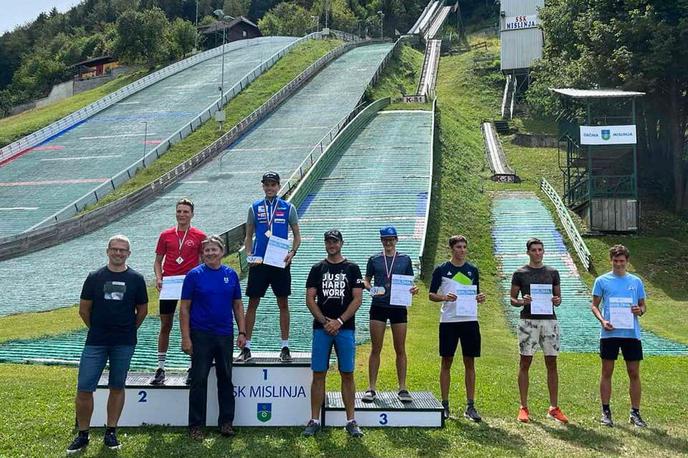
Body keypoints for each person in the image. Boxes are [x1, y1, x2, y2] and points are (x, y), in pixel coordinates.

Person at [66, 235, 148, 454]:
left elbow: (143, 310)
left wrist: (128, 328)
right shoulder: (94, 277)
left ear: (128, 253)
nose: (119, 253)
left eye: (123, 250)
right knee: (84, 387)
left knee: (117, 386)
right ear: (108, 251)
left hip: (124, 342)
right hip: (96, 342)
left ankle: (111, 431)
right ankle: (83, 434)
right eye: (115, 249)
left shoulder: (137, 279)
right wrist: (98, 328)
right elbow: (84, 310)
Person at [179, 235, 247, 440]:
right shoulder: (193, 275)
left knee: (226, 378)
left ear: (222, 251)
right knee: (198, 379)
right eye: (206, 250)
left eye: (214, 249)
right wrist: (186, 337)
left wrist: (242, 332)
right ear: (202, 253)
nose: (210, 253)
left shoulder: (231, 274)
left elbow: (237, 305)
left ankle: (226, 422)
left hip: (224, 334)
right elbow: (184, 308)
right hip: (200, 335)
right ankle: (196, 425)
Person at [302, 229, 364, 438]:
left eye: (335, 241)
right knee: (318, 373)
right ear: (325, 244)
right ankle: (314, 419)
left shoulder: (352, 268)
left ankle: (351, 420)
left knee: (347, 373)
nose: (332, 245)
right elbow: (310, 298)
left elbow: (357, 299)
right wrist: (324, 321)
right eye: (328, 241)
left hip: (345, 328)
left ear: (341, 243)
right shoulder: (317, 268)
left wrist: (339, 321)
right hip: (322, 328)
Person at [236, 171, 301, 363]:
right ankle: (246, 347)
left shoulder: (288, 208)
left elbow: (297, 236)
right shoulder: (254, 207)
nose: (270, 187)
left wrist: (292, 252)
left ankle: (285, 346)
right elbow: (248, 236)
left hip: (280, 262)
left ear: (279, 185)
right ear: (263, 186)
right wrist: (249, 255)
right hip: (260, 263)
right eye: (267, 184)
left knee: (283, 304)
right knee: (252, 304)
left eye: (273, 184)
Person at [510, 237, 568, 424]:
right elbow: (512, 300)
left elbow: (558, 298)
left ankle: (553, 407)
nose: (537, 253)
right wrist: (522, 301)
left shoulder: (552, 272)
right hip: (528, 321)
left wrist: (557, 301)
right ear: (528, 252)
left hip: (549, 321)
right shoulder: (520, 273)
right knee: (525, 361)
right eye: (534, 250)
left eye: (540, 250)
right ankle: (523, 407)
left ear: (544, 251)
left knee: (552, 363)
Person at [428, 235, 485, 422]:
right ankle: (445, 404)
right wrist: (444, 298)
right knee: (447, 362)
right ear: (451, 249)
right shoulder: (442, 270)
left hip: (469, 320)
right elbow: (431, 295)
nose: (462, 250)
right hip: (449, 321)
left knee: (470, 363)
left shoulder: (472, 270)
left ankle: (470, 406)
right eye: (458, 247)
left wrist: (480, 298)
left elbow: (474, 294)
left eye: (464, 247)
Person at [590, 244, 647, 428]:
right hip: (609, 333)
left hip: (631, 333)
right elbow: (594, 306)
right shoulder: (601, 281)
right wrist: (602, 321)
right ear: (611, 261)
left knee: (634, 373)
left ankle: (635, 412)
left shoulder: (636, 282)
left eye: (622, 261)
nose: (619, 264)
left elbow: (643, 306)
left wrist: (640, 310)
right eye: (616, 261)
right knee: (607, 372)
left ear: (627, 261)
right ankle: (605, 411)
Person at [151, 198, 206, 385]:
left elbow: (203, 261)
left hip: (189, 285)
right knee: (165, 325)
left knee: (191, 326)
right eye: (179, 211)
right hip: (169, 285)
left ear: (192, 214)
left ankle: (192, 367)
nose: (182, 215)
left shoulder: (199, 236)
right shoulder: (166, 235)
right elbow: (158, 261)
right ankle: (160, 368)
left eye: (186, 211)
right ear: (176, 213)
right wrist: (159, 278)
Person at [362, 226, 418, 403]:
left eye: (391, 239)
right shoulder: (374, 259)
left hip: (398, 306)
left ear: (396, 240)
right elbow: (366, 280)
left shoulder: (405, 259)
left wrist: (413, 289)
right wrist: (371, 290)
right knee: (375, 348)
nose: (388, 242)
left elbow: (411, 283)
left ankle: (402, 388)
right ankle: (371, 388)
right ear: (381, 240)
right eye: (385, 239)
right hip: (378, 305)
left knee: (400, 348)